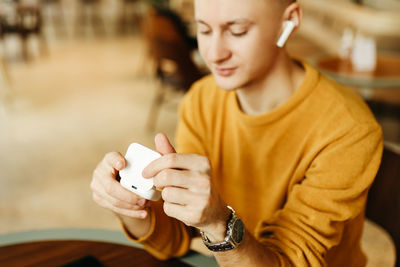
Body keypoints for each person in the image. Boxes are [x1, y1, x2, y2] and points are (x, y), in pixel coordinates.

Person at [90, 0, 383, 266]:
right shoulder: (201, 100)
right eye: (203, 30)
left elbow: (291, 260)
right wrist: (129, 205)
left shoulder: (349, 130)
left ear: (289, 20)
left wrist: (219, 225)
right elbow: (177, 236)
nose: (214, 54)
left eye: (238, 31)